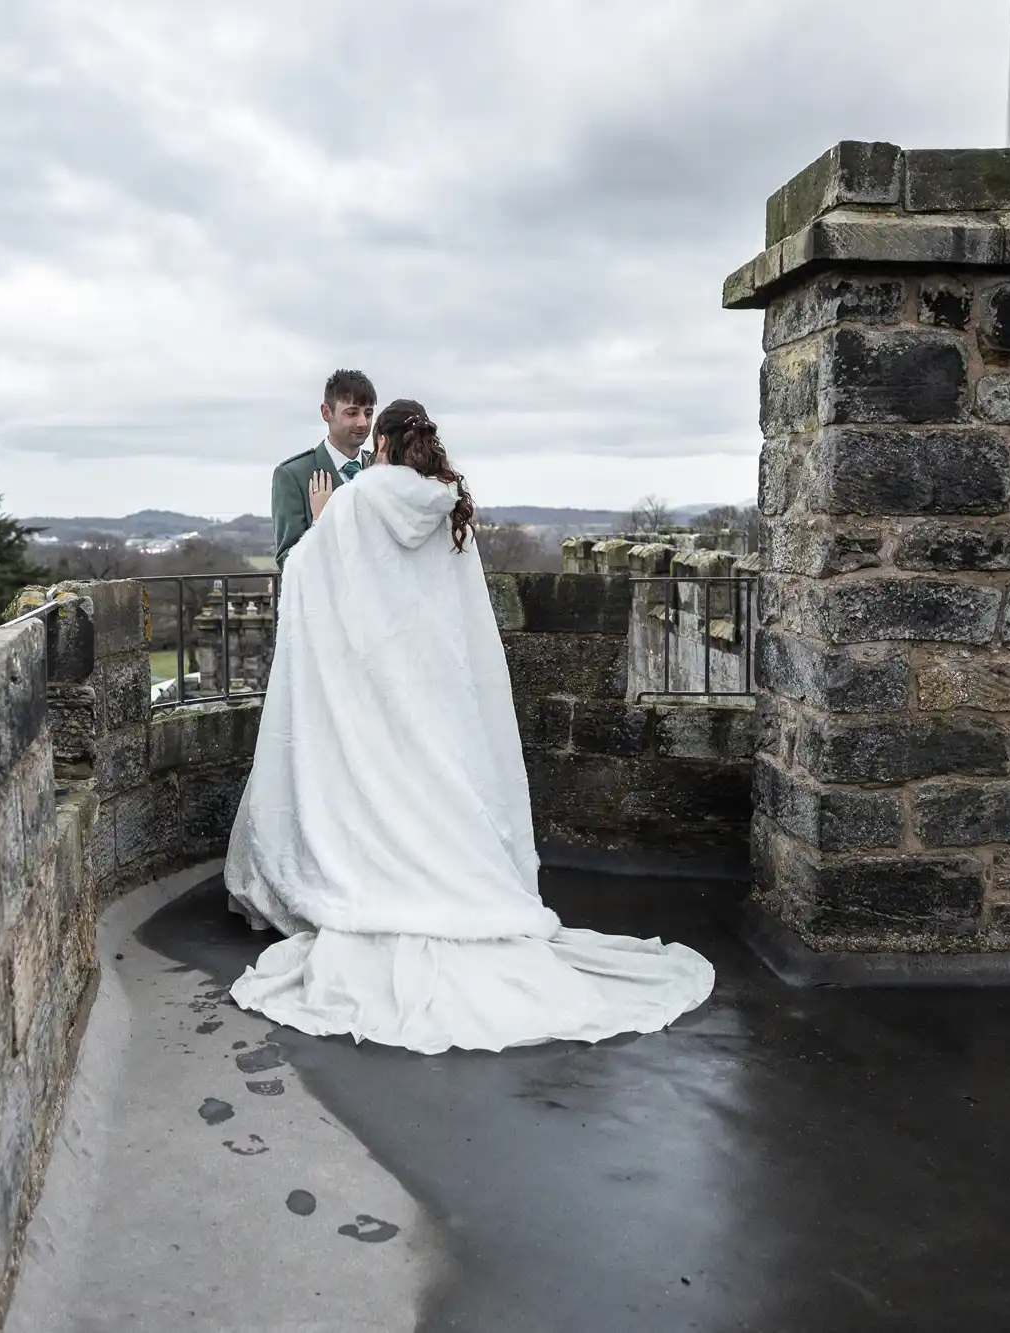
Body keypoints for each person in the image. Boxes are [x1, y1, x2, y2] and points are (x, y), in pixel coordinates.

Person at [224, 399, 715, 1054]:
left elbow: (315, 579)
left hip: (373, 690)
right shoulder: (446, 504)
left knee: (381, 794)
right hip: (430, 685)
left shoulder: (357, 500)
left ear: (386, 445)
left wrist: (319, 523)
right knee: (433, 794)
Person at [270, 369, 378, 569]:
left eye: (368, 413)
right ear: (326, 412)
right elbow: (288, 561)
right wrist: (320, 523)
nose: (363, 423)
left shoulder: (382, 470)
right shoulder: (293, 475)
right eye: (352, 413)